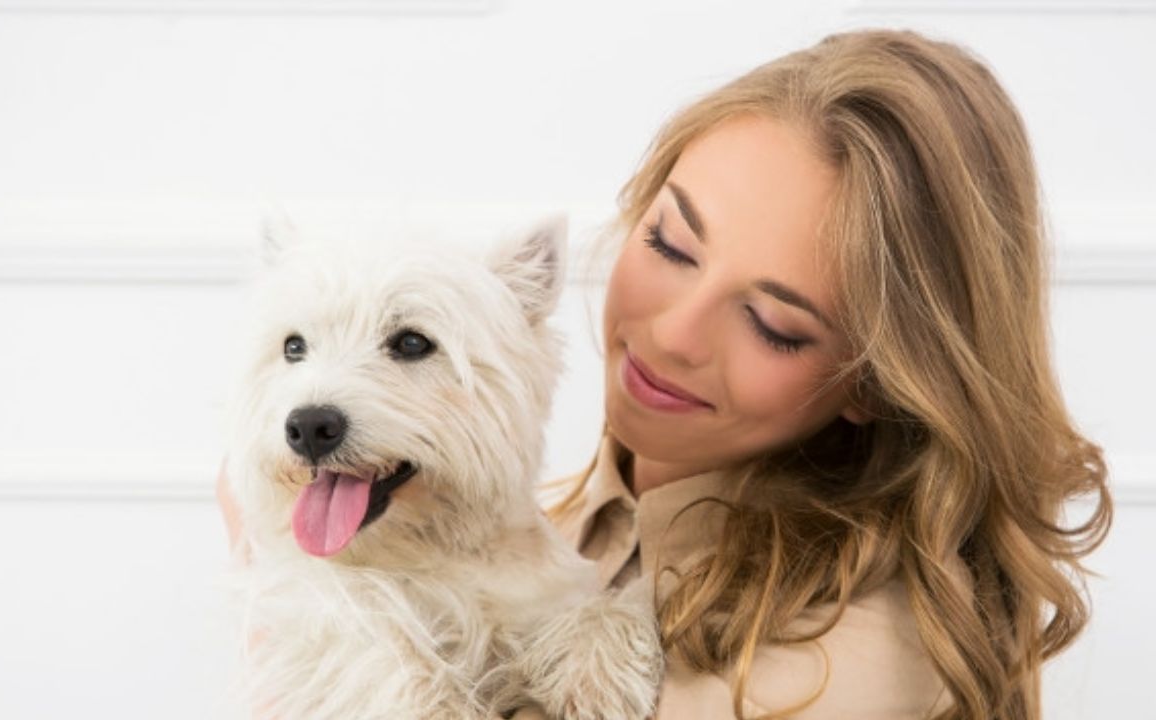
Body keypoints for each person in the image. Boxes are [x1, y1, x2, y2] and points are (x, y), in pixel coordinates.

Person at [217, 28, 1112, 720]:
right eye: (670, 244)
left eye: (772, 323)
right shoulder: (566, 518)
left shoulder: (848, 662)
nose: (672, 334)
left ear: (879, 379)